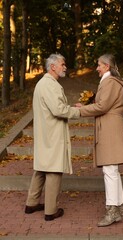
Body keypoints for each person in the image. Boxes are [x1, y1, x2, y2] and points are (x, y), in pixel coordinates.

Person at [76, 53, 123, 227]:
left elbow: (103, 106)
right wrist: (86, 106)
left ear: (106, 66)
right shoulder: (109, 82)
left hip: (110, 128)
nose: (97, 68)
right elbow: (103, 103)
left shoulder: (110, 82)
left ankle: (112, 211)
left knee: (110, 171)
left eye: (99, 65)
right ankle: (119, 209)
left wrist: (80, 111)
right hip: (109, 127)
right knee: (112, 170)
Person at [25, 53, 80, 221]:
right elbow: (58, 110)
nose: (65, 66)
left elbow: (55, 107)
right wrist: (78, 111)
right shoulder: (49, 84)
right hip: (52, 135)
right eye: (63, 64)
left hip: (45, 133)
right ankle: (50, 211)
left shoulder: (44, 83)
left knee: (41, 168)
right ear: (53, 66)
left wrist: (68, 107)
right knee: (54, 170)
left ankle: (31, 203)